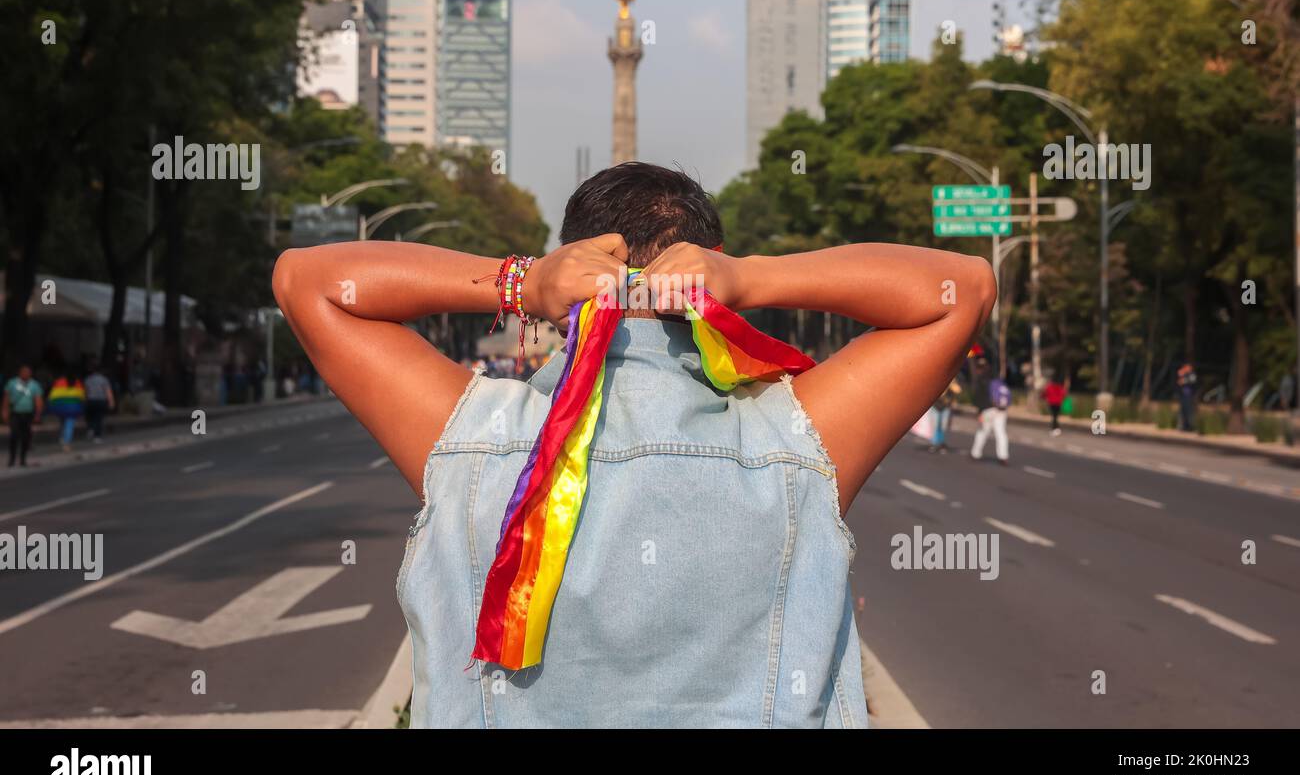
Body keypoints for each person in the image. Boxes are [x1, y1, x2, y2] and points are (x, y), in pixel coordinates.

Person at [273, 161, 995, 728]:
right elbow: (963, 288)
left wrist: (521, 282)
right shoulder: (796, 435)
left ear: (572, 264)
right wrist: (752, 278)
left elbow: (305, 281)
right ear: (709, 265)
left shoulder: (470, 434)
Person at [970, 359, 1010, 465]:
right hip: (1000, 410)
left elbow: (978, 397)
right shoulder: (996, 378)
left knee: (982, 432)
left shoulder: (980, 380)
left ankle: (976, 453)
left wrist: (979, 412)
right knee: (1001, 433)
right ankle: (1003, 456)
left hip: (987, 410)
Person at [3, 364, 44, 468]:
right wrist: (5, 411)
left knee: (26, 437)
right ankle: (12, 459)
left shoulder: (34, 385)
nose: (26, 374)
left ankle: (22, 459)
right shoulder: (12, 383)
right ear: (20, 373)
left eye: (28, 372)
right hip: (15, 413)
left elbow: (38, 400)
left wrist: (38, 414)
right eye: (24, 372)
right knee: (14, 436)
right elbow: (6, 398)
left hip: (28, 414)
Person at [47, 371, 87, 453]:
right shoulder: (77, 383)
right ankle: (66, 443)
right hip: (72, 408)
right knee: (69, 424)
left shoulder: (59, 382)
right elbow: (82, 396)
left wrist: (51, 405)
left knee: (63, 422)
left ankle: (62, 438)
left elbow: (52, 395)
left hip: (60, 407)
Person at [84, 361, 116, 443]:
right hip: (101, 401)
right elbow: (108, 391)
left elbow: (86, 391)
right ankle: (97, 436)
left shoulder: (88, 379)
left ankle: (90, 429)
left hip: (90, 400)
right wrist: (111, 401)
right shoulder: (104, 380)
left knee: (90, 416)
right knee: (99, 418)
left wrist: (85, 400)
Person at [929, 378, 961, 453]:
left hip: (945, 407)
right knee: (935, 426)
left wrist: (951, 384)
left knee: (943, 426)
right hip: (936, 406)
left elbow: (958, 390)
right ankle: (934, 443)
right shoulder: (937, 381)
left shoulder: (952, 383)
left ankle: (940, 442)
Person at [1176, 361, 1198, 432]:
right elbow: (1179, 382)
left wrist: (1183, 380)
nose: (1185, 369)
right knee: (1183, 411)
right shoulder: (1184, 374)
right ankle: (1184, 426)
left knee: (1189, 411)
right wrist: (1181, 375)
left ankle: (1191, 427)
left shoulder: (1192, 374)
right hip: (1183, 396)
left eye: (1187, 367)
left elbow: (1192, 381)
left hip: (1189, 396)